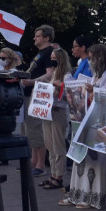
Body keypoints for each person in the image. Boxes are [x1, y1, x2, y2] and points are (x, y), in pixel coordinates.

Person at [61, 44, 106, 209]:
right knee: (80, 158)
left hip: (98, 124)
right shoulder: (95, 76)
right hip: (86, 120)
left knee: (94, 161)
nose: (91, 61)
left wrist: (94, 91)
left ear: (100, 58)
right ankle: (77, 193)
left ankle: (92, 197)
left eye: (93, 58)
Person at [20, 25, 55, 177]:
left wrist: (32, 81)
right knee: (31, 130)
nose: (35, 38)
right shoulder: (41, 53)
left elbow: (50, 74)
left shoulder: (49, 52)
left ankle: (41, 165)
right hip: (31, 94)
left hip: (39, 95)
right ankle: (34, 162)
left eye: (38, 36)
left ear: (47, 38)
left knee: (36, 128)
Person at [38, 47, 71, 191]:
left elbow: (70, 94)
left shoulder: (67, 75)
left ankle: (59, 177)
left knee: (58, 146)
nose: (52, 61)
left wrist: (59, 86)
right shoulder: (56, 73)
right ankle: (53, 174)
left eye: (54, 58)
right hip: (48, 111)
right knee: (49, 145)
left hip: (58, 111)